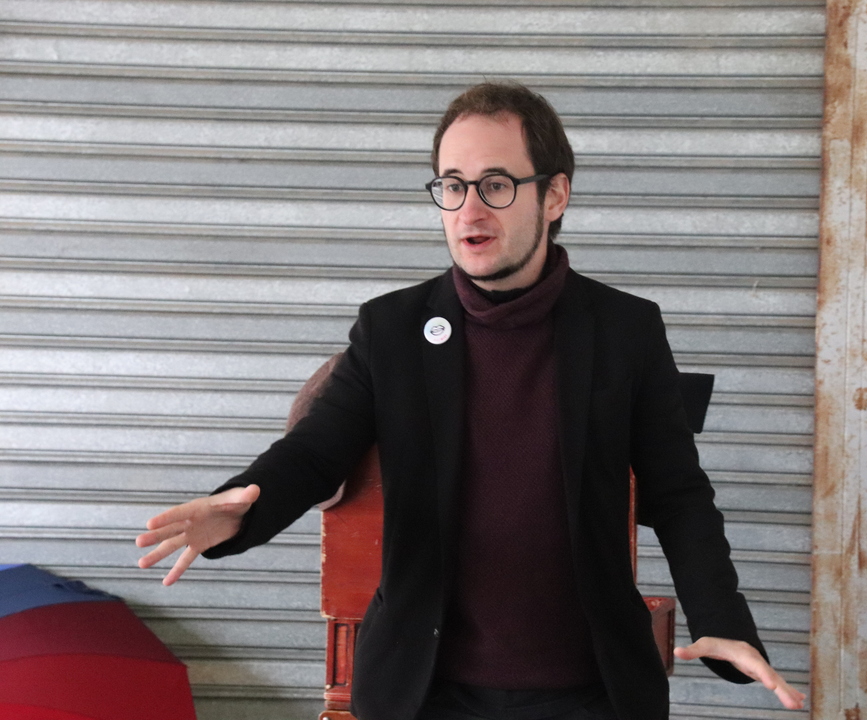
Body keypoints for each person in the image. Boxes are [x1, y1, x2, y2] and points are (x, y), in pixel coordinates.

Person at [137, 82, 805, 720]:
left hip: (590, 696)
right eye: (452, 185)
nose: (469, 210)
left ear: (554, 195)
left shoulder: (624, 330)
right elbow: (314, 453)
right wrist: (239, 509)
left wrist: (721, 620)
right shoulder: (392, 330)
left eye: (496, 184)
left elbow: (679, 494)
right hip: (425, 694)